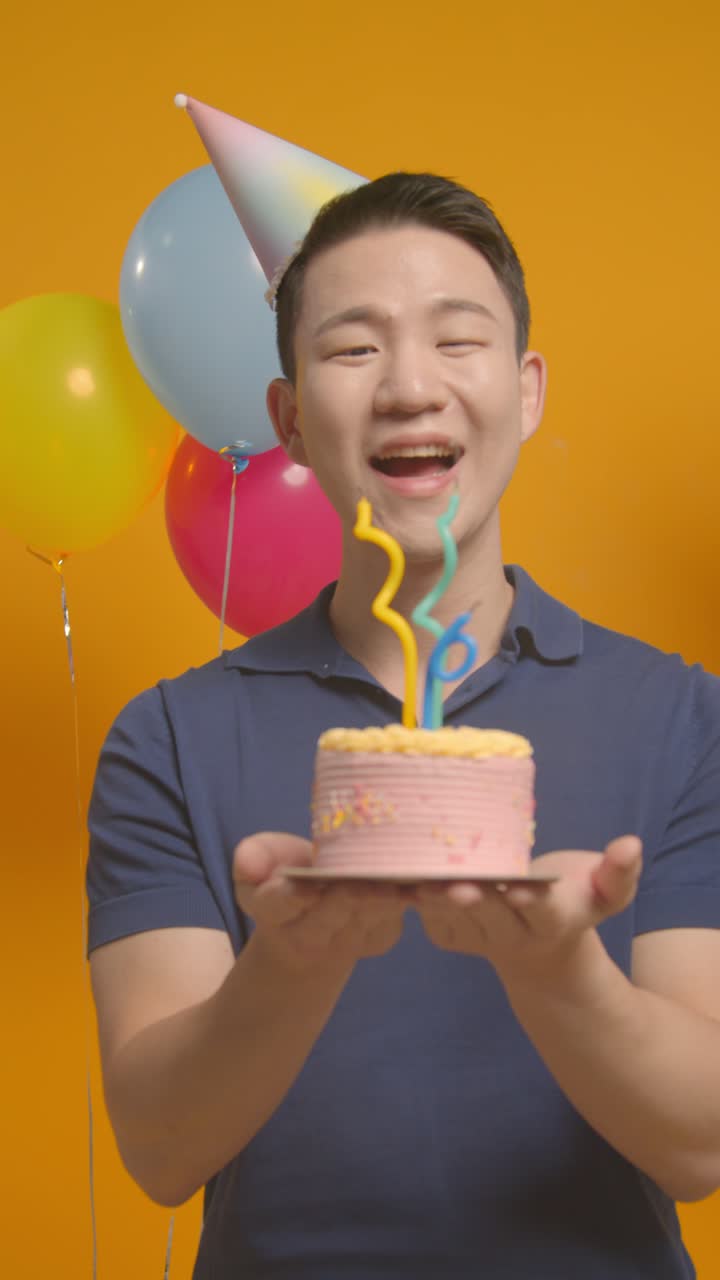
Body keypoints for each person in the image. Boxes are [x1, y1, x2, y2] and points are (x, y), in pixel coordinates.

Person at [87, 173, 720, 1279]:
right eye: (353, 349)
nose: (410, 387)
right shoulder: (168, 738)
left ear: (526, 393)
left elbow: (701, 1140)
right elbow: (157, 1147)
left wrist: (563, 972)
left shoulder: (685, 716)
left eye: (456, 339)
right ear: (288, 418)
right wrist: (288, 962)